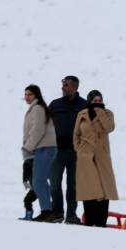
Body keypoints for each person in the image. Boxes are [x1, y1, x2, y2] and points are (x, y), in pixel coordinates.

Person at [74, 90, 118, 227]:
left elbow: (109, 128)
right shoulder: (81, 115)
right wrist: (79, 149)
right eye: (95, 101)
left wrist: (100, 112)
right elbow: (76, 134)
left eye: (100, 100)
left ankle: (100, 222)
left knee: (103, 190)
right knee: (89, 190)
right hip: (85, 156)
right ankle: (89, 221)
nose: (98, 103)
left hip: (101, 156)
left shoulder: (108, 114)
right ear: (89, 102)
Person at [48, 75, 87, 224]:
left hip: (76, 152)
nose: (63, 87)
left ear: (75, 87)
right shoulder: (55, 105)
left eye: (67, 85)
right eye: (63, 84)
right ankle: (57, 212)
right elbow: (46, 125)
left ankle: (71, 215)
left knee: (73, 185)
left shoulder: (84, 105)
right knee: (55, 183)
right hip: (57, 151)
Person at [23, 85, 58, 222]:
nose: (27, 97)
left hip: (45, 148)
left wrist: (28, 147)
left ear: (36, 95)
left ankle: (47, 211)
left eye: (30, 94)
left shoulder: (37, 108)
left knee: (38, 181)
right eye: (25, 94)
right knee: (41, 181)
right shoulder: (35, 108)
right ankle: (48, 210)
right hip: (42, 148)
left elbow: (37, 130)